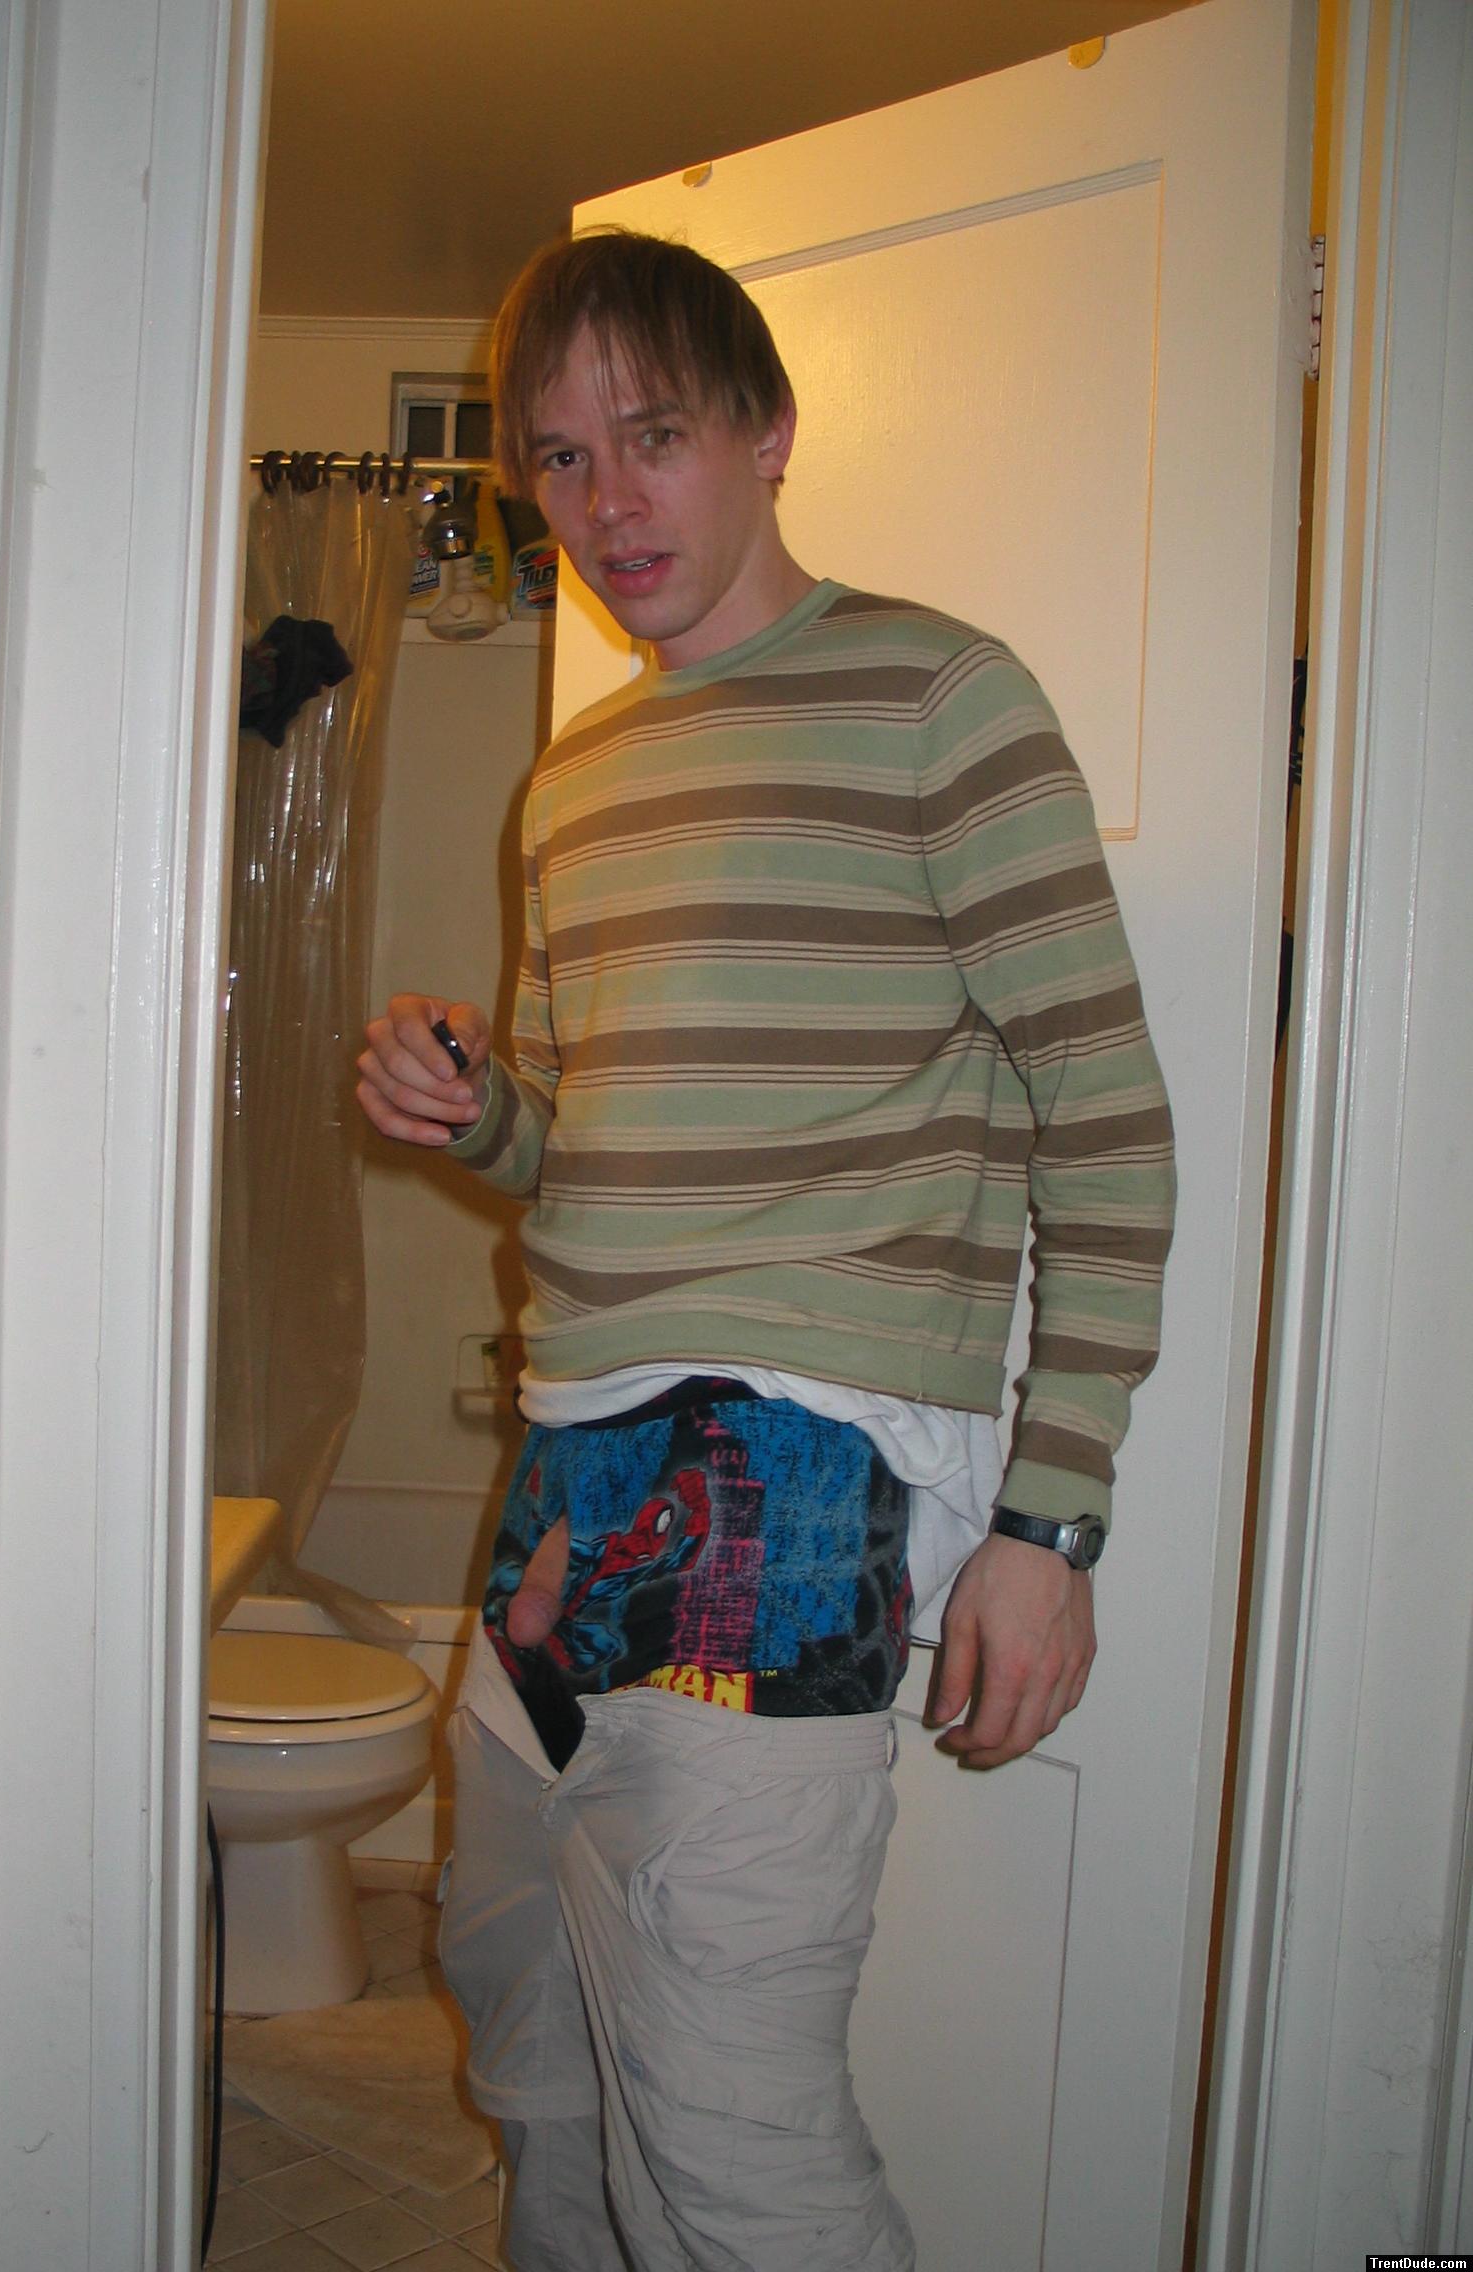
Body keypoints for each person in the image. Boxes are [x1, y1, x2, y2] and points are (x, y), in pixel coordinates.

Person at [356, 228, 1174, 2272]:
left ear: (769, 432)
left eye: (654, 436)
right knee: (534, 2037)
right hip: (561, 1480)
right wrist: (479, 1111)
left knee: (732, 2151)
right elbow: (574, 1148)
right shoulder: (570, 787)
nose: (606, 502)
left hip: (787, 1478)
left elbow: (1106, 1121)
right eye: (561, 459)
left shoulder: (944, 697)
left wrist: (1050, 1525)